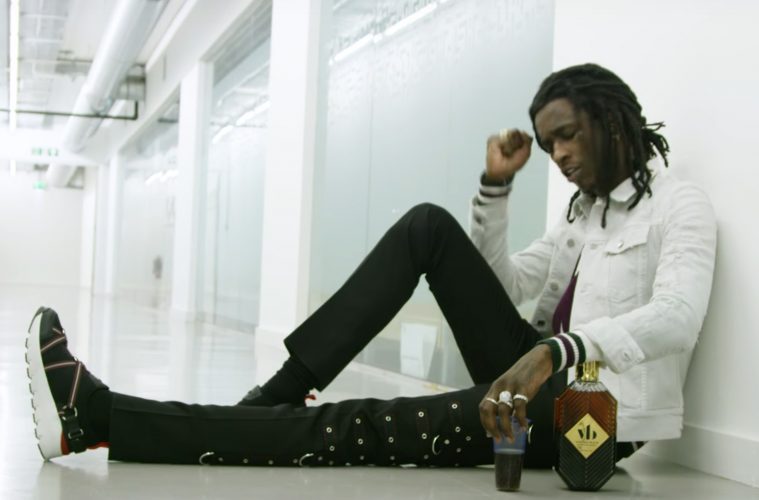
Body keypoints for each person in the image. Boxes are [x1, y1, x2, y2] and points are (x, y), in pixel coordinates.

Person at [26, 63, 717, 469]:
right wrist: (496, 187)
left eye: (566, 135)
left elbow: (679, 317)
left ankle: (102, 418)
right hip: (530, 380)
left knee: (360, 425)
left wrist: (558, 351)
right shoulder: (582, 217)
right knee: (427, 226)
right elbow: (504, 287)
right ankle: (279, 390)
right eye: (548, 143)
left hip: (589, 422)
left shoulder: (677, 206)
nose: (558, 154)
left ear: (611, 119)